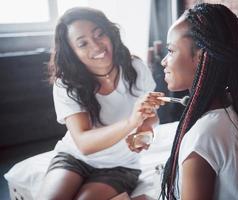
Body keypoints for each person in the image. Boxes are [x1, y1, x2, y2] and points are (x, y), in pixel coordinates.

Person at [37, 7, 163, 200]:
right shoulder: (66, 83)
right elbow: (84, 144)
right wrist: (131, 123)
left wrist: (144, 130)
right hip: (74, 158)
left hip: (120, 166)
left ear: (110, 33)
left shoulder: (135, 68)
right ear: (72, 52)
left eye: (99, 34)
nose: (96, 47)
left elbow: (151, 116)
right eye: (83, 43)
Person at [159, 3, 238, 200]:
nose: (164, 61)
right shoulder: (237, 110)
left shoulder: (201, 137)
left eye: (171, 51)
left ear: (200, 57)